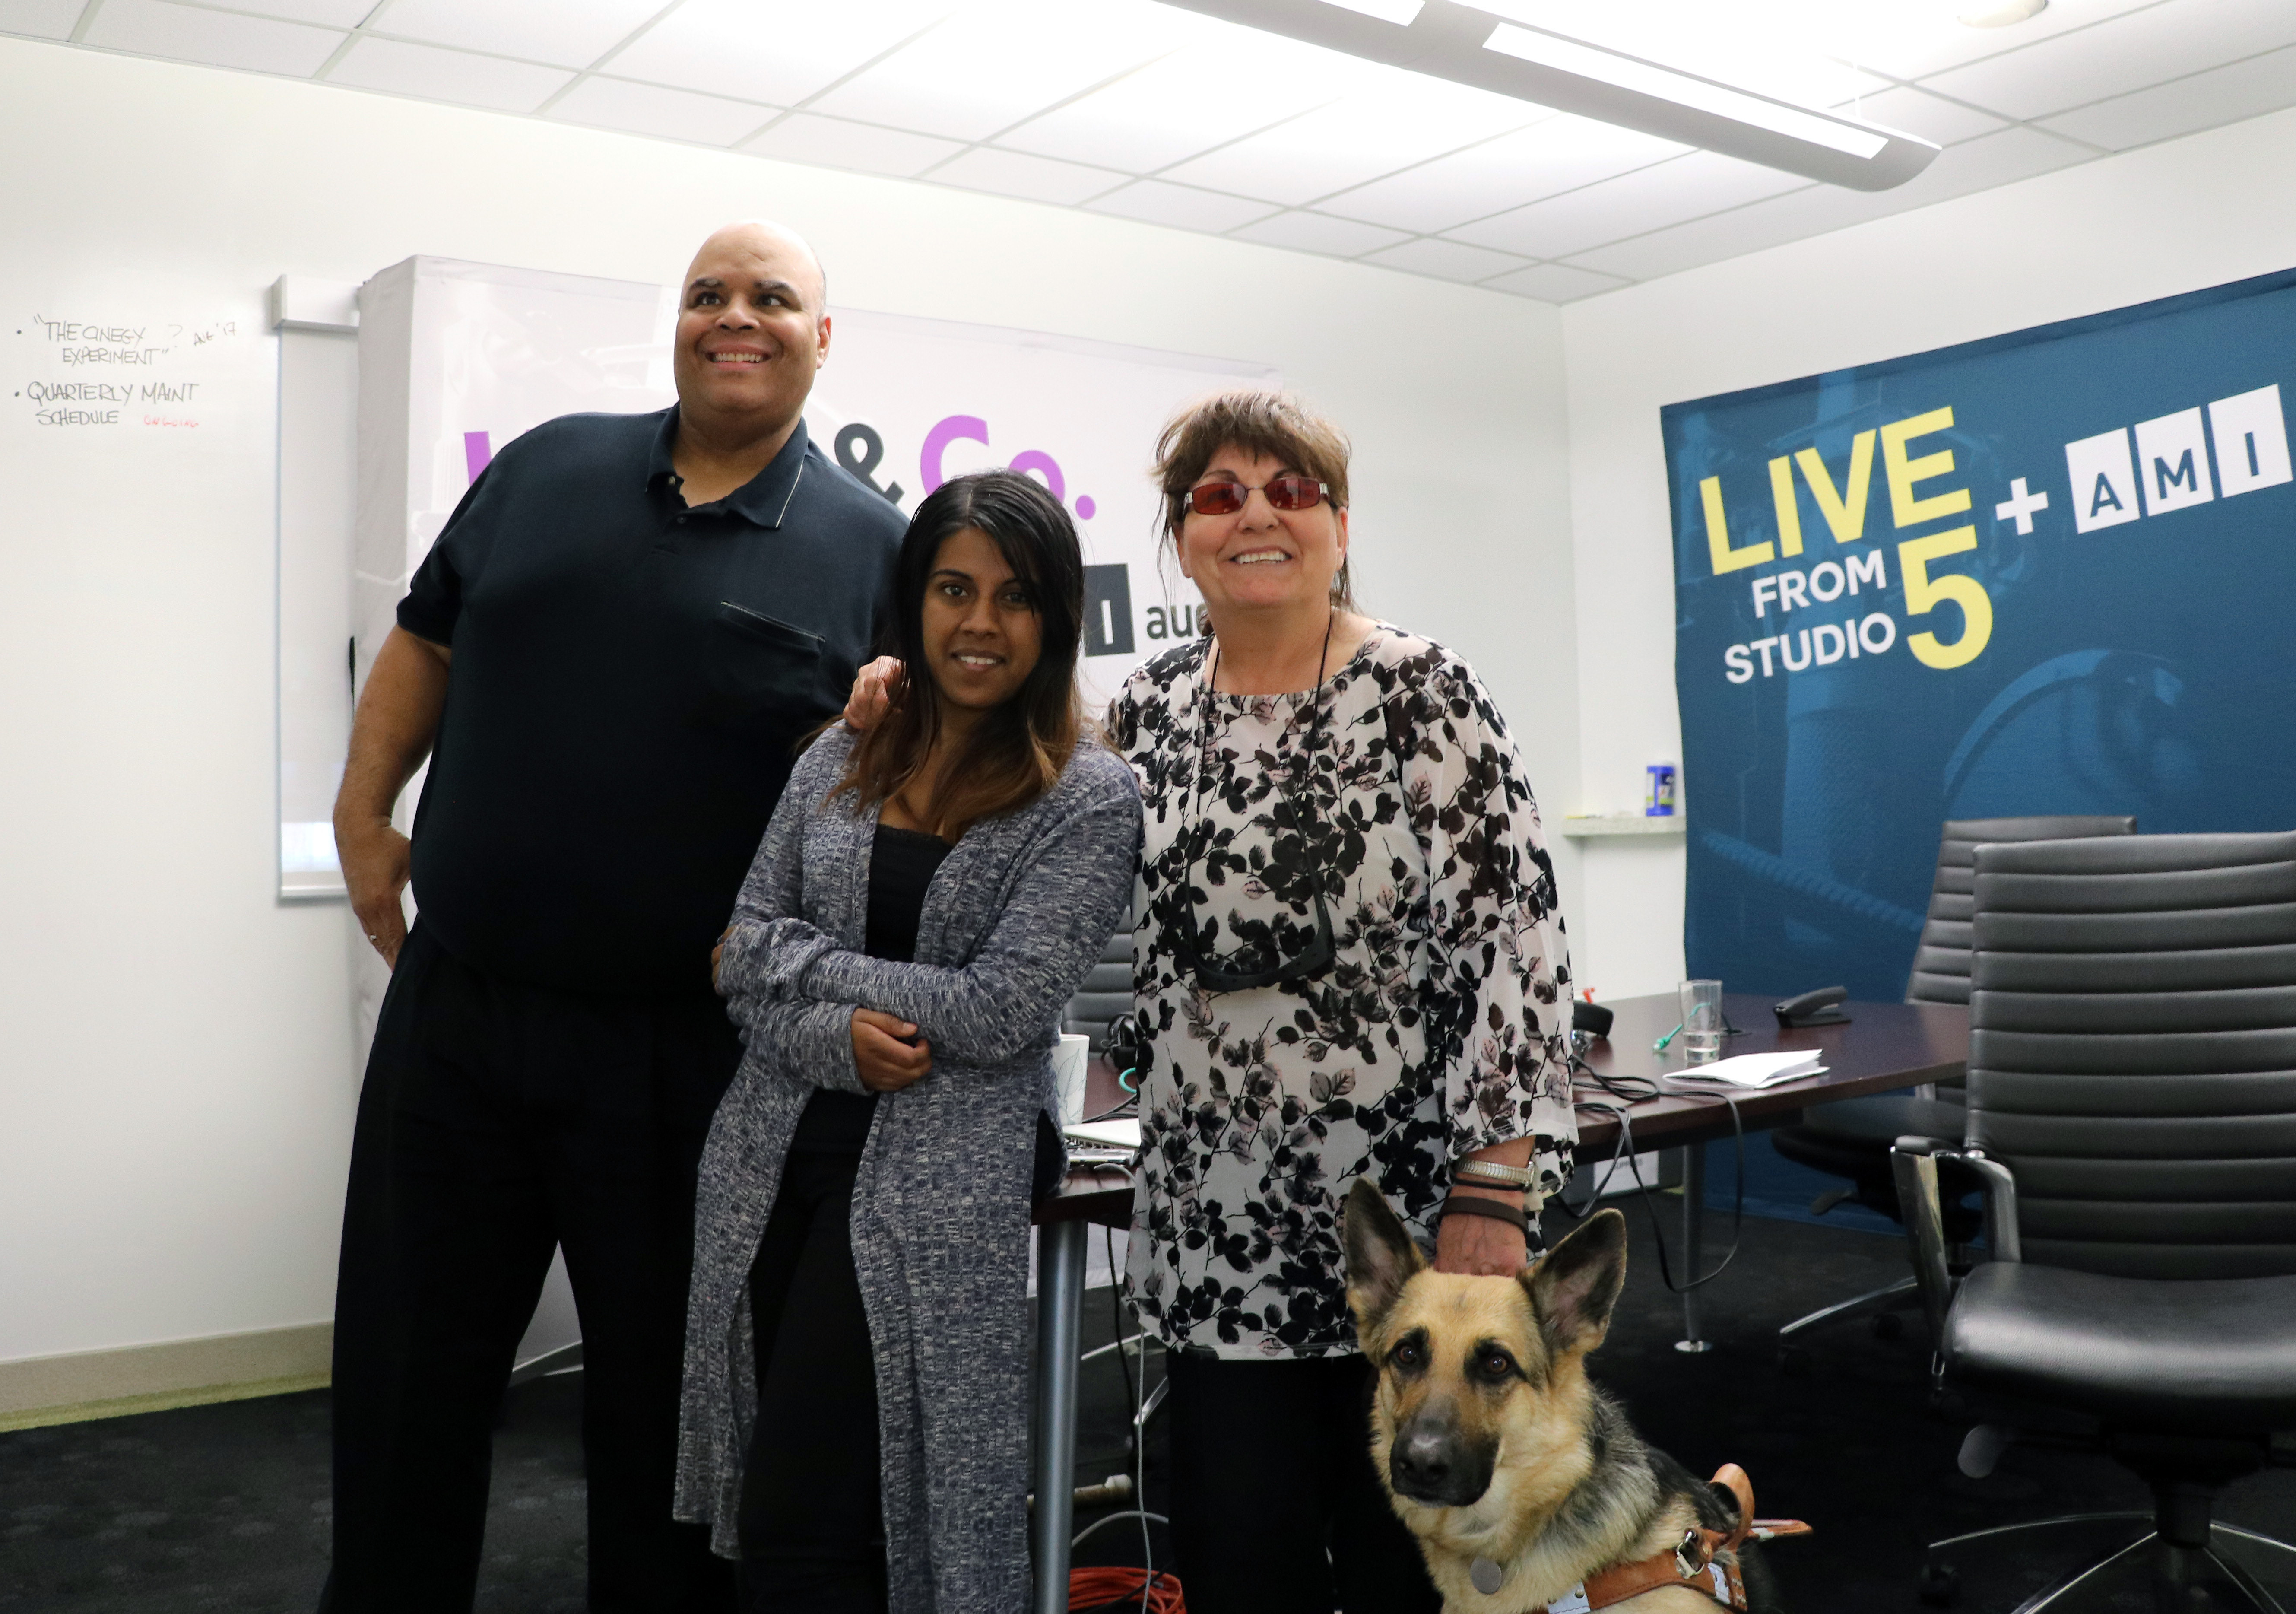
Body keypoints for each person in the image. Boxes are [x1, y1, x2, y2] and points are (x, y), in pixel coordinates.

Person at [846, 388, 1576, 1612]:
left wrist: (1493, 1189)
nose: (1255, 516)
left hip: (1402, 1233)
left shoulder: (1421, 693)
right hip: (1210, 1227)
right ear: (1180, 533)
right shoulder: (1149, 710)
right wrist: (910, 696)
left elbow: (1513, 945)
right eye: (1218, 495)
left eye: (1291, 491)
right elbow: (1021, 803)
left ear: (1339, 525)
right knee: (1240, 1564)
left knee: (1419, 1568)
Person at [323, 221, 904, 1613]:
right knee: (406, 1383)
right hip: (460, 1013)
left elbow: (892, 793)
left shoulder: (874, 548)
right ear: (679, 323)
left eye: (774, 298)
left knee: (665, 1414)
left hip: (687, 1060)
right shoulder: (545, 467)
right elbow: (428, 640)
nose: (736, 317)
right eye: (709, 294)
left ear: (825, 340)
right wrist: (362, 820)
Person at [678, 470, 1142, 1614]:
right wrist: (836, 1032)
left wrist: (796, 962)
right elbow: (736, 956)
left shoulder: (1088, 796)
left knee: (813, 1506)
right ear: (912, 601)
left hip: (937, 1181)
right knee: (785, 1491)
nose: (980, 622)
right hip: (768, 1155)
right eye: (952, 588)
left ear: (1056, 620)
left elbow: (998, 1011)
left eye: (1015, 596)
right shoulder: (840, 754)